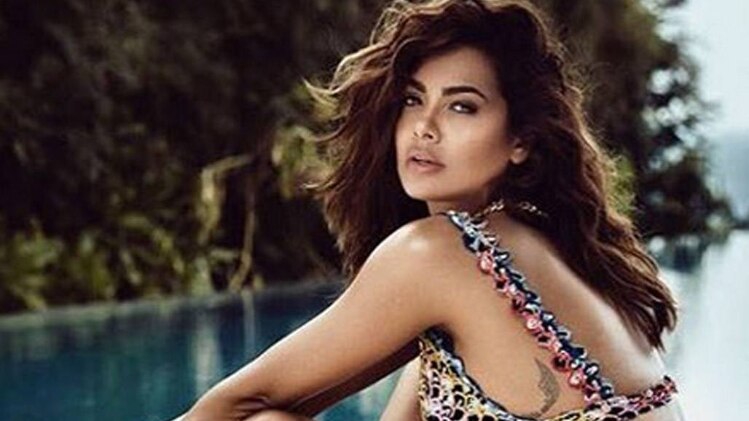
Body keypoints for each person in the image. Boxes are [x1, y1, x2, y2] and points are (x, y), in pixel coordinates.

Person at [174, 0, 684, 420]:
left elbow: (235, 404)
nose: (425, 127)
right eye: (413, 100)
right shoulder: (539, 249)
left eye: (462, 106)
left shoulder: (439, 253)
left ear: (521, 141)